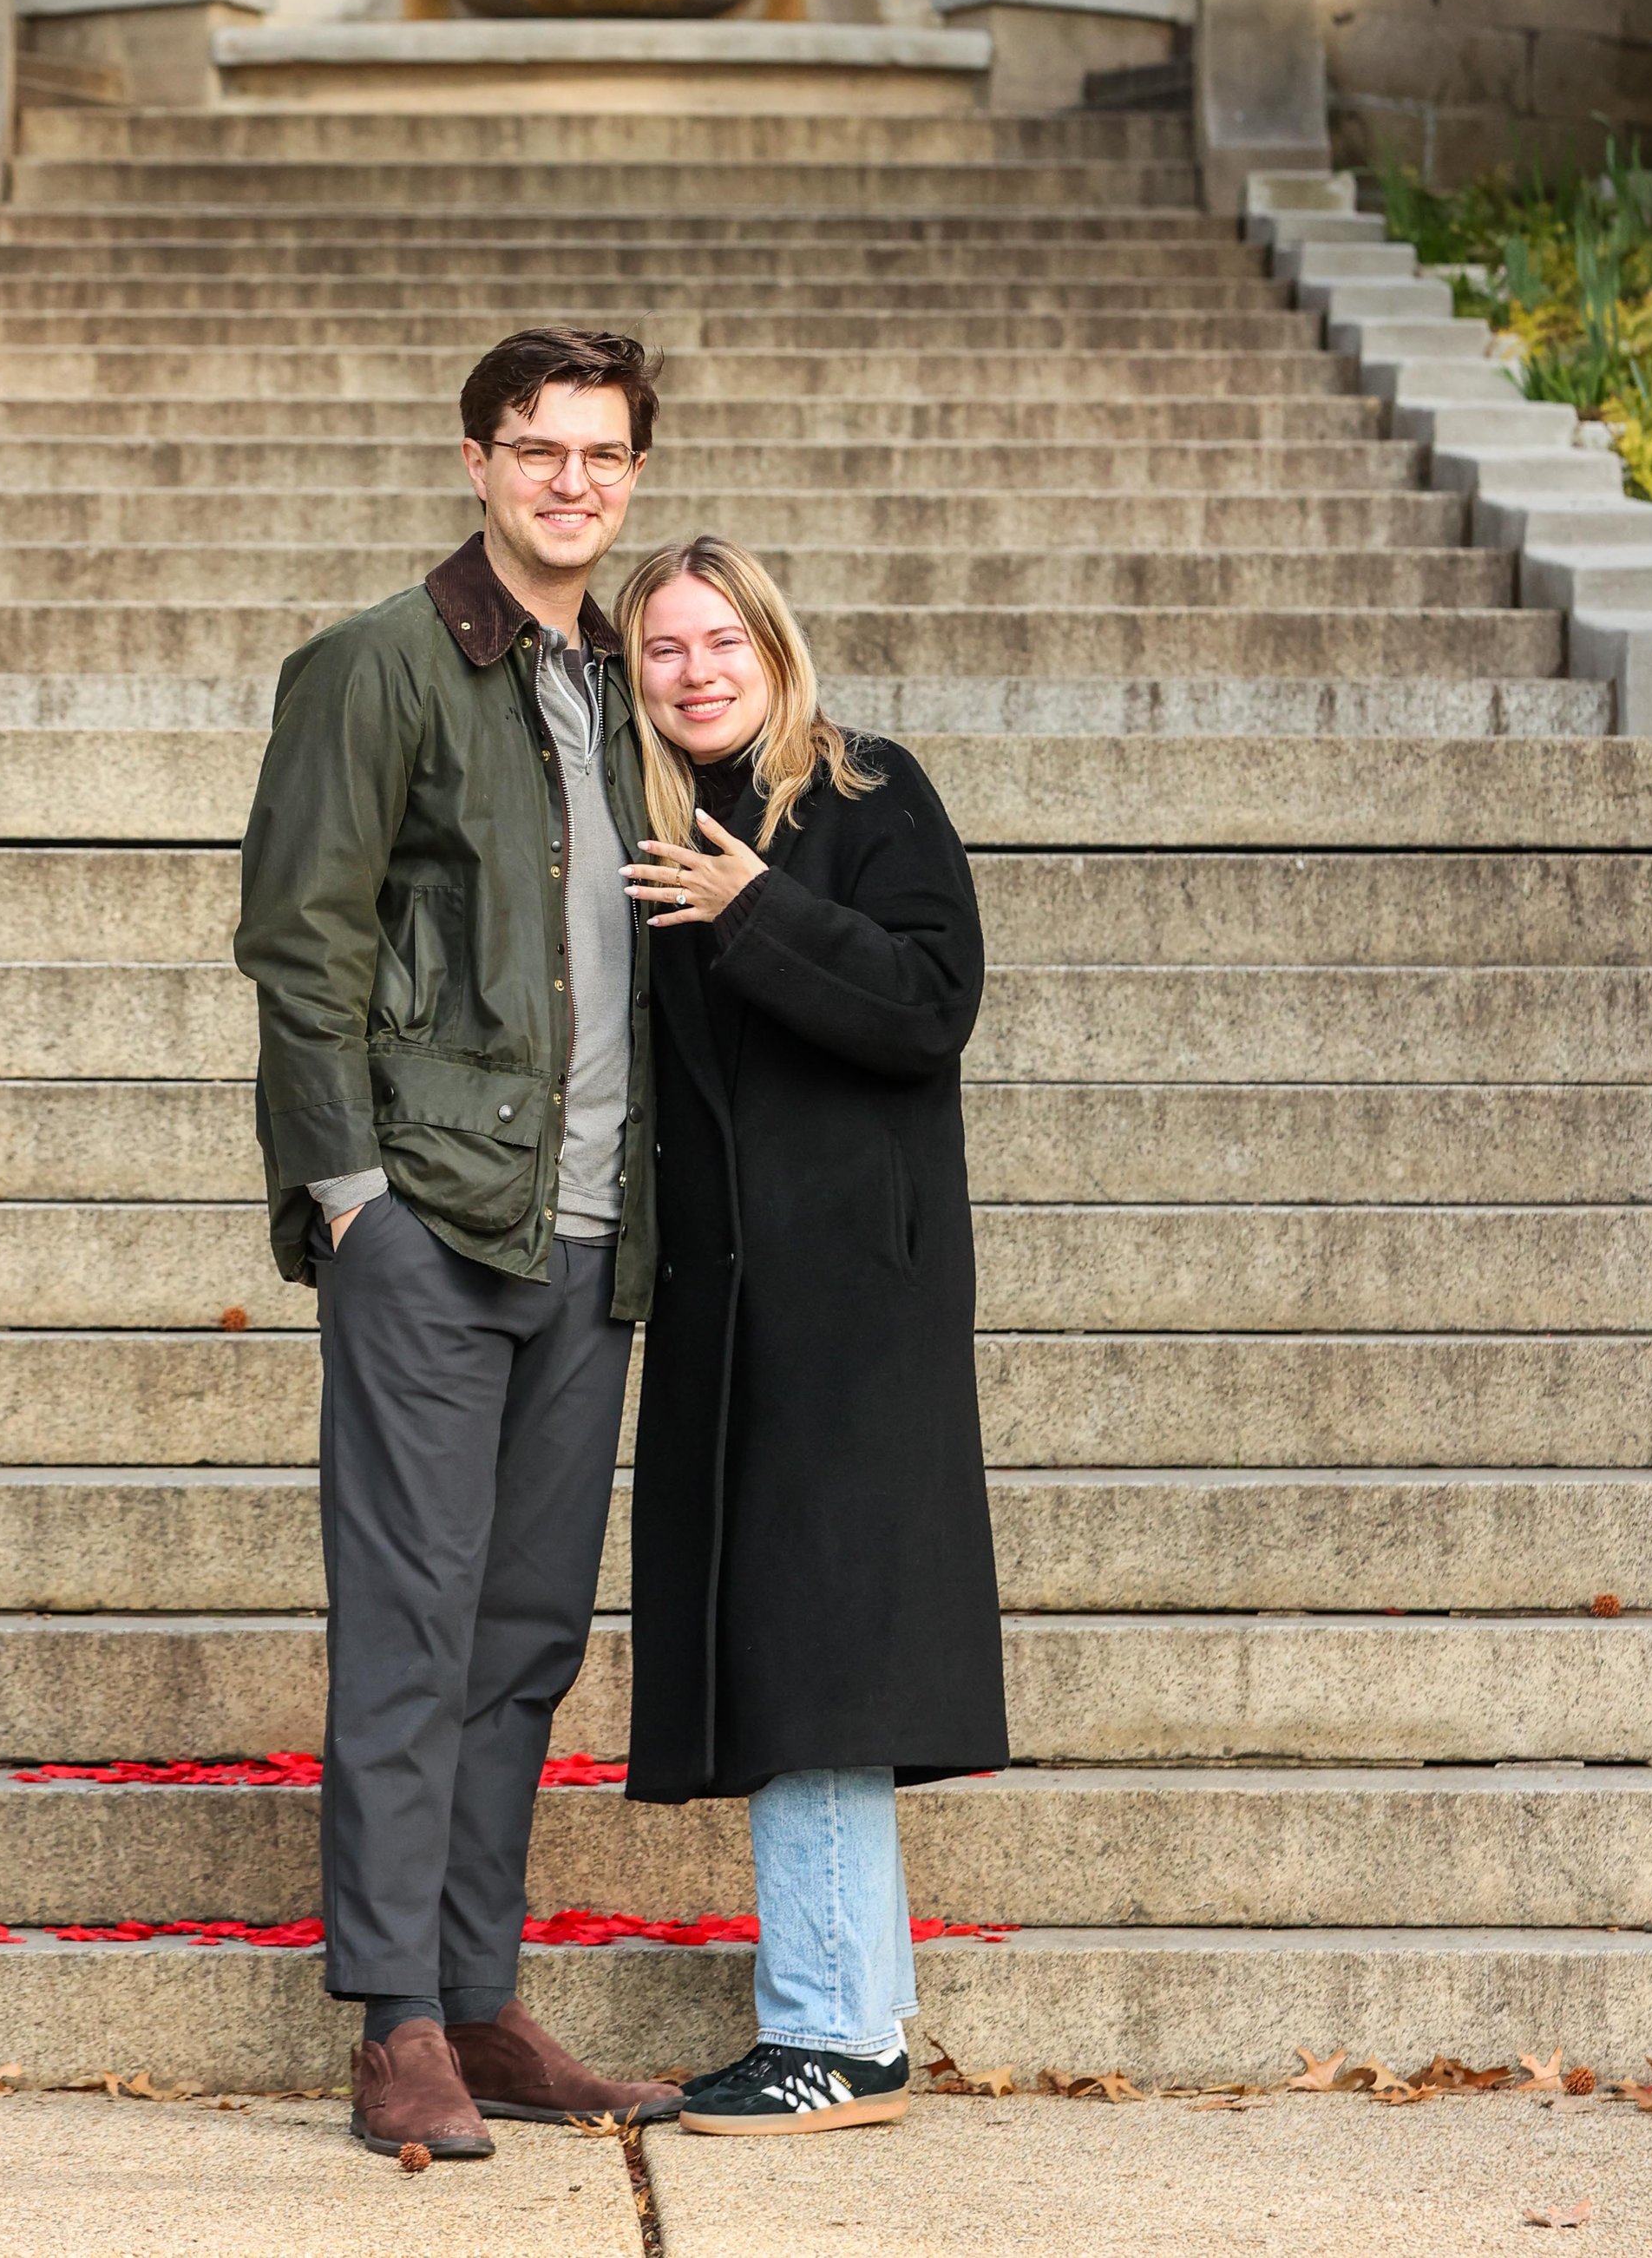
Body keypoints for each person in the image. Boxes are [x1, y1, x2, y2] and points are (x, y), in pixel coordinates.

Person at [233, 326, 685, 2162]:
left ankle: (483, 1993)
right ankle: (395, 2021)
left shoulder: (625, 676)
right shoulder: (378, 665)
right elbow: (300, 943)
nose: (570, 481)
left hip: (590, 1235)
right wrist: (351, 1204)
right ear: (476, 464)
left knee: (522, 1638)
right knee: (414, 1628)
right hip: (429, 1220)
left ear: (632, 475)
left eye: (601, 453)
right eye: (536, 448)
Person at [614, 533, 1006, 2137]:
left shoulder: (864, 793)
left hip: (852, 1307)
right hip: (730, 1308)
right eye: (662, 649)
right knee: (790, 1649)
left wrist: (755, 903)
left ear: (775, 648)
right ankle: (849, 2018)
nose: (697, 669)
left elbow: (931, 1003)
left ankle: (834, 2036)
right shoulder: (651, 827)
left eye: (722, 640)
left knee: (826, 1656)